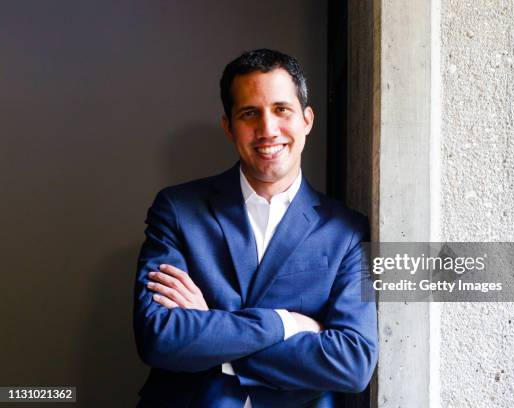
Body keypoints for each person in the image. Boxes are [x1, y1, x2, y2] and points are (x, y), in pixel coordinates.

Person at [133, 49, 378, 408]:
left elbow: (352, 364)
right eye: (250, 113)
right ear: (229, 127)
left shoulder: (347, 231)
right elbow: (160, 337)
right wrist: (286, 324)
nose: (267, 129)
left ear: (307, 120)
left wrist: (212, 329)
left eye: (281, 109)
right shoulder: (177, 210)